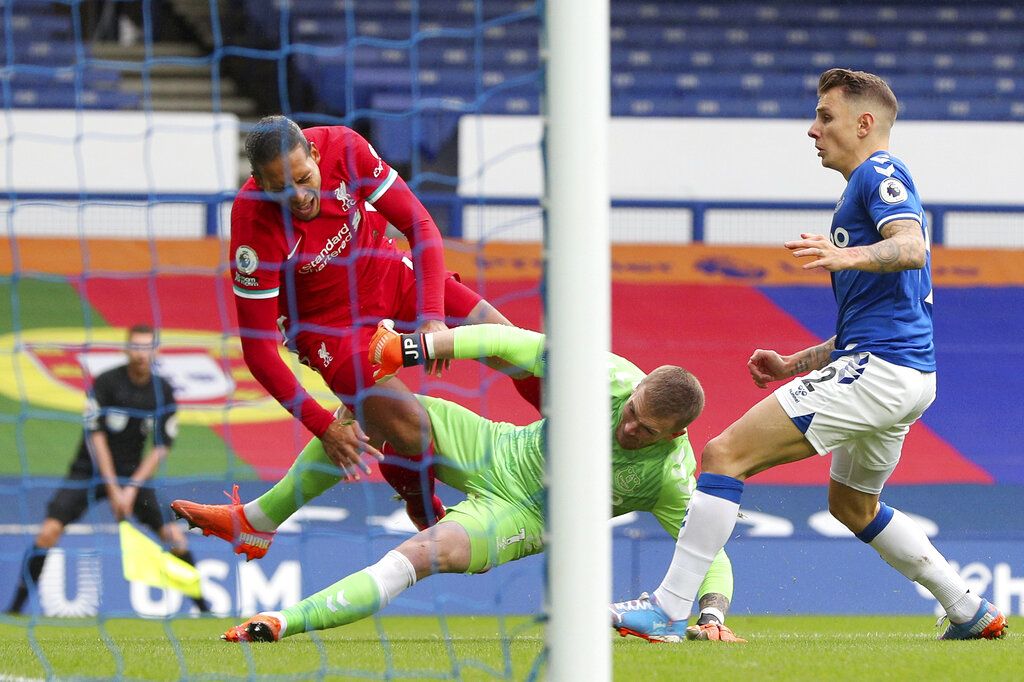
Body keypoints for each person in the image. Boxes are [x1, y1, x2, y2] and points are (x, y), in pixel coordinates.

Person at [611, 68, 1008, 642]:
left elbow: (912, 246)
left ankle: (669, 608)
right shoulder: (859, 191)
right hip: (904, 373)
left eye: (825, 116)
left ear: (864, 123)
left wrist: (846, 257)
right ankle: (968, 608)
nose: (812, 130)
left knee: (724, 454)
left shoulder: (882, 173)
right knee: (852, 506)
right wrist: (796, 364)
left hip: (880, 374)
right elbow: (874, 321)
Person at [210, 321, 742, 644]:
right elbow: (510, 343)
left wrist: (712, 612)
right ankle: (257, 521)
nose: (628, 426)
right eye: (630, 412)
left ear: (677, 433)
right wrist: (413, 348)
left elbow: (707, 549)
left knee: (419, 555)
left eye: (645, 430)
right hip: (497, 446)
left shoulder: (672, 474)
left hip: (524, 516)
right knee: (367, 410)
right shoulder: (614, 377)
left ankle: (282, 622)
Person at [226, 115, 541, 535]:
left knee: (510, 344)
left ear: (316, 155)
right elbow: (258, 350)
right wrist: (323, 427)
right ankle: (421, 507)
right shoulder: (252, 225)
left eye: (304, 178)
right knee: (412, 429)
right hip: (329, 330)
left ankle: (574, 445)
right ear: (259, 182)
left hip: (389, 273)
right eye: (281, 189)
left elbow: (420, 225)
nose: (299, 196)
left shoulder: (346, 148)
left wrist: (431, 319)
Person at [6, 325, 209, 615]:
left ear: (156, 351)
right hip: (87, 472)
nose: (141, 354)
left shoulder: (162, 390)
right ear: (127, 350)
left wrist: (131, 489)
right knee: (48, 532)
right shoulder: (106, 383)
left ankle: (204, 609)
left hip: (133, 478)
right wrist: (115, 489)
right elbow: (96, 436)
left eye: (147, 347)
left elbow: (161, 446)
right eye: (136, 347)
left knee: (174, 536)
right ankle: (14, 609)